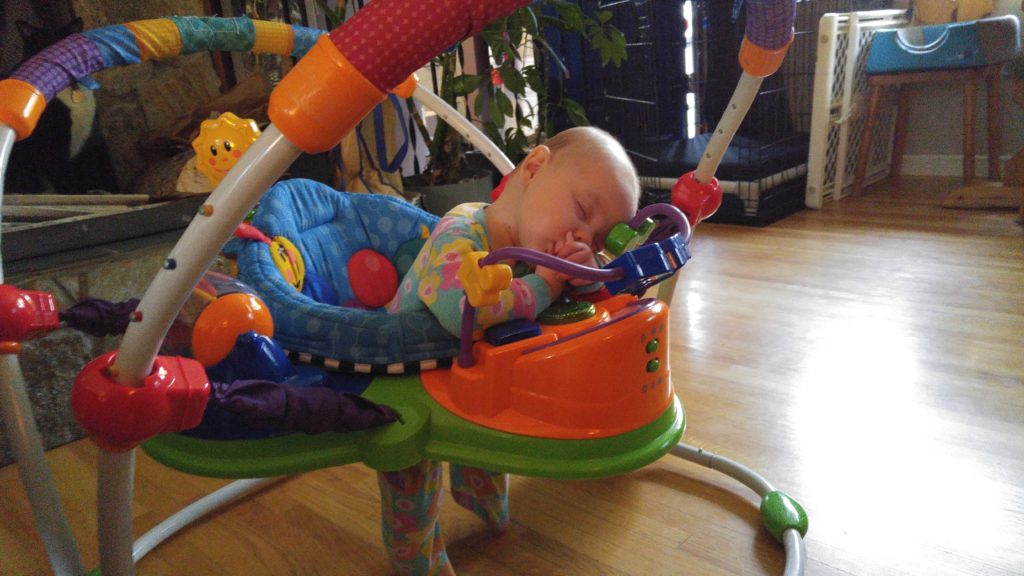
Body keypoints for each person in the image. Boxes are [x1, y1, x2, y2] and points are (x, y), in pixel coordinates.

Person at [379, 126, 640, 575]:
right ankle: (414, 557)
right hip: (402, 375)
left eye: (596, 240)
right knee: (412, 473)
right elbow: (458, 306)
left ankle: (479, 494)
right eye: (581, 211)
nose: (580, 239)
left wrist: (583, 274)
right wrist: (546, 282)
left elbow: (571, 306)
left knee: (490, 428)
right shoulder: (460, 230)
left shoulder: (535, 245)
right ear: (534, 169)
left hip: (465, 373)